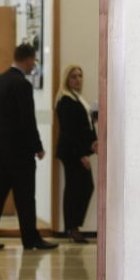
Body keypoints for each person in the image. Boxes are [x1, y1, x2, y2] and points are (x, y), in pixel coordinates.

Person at [0, 43, 58, 251]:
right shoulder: (22, 84)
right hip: (19, 150)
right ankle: (31, 239)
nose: (34, 65)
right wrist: (37, 146)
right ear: (29, 59)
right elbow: (26, 120)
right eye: (34, 61)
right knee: (25, 196)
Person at [55, 64, 98, 244]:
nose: (78, 79)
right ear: (67, 79)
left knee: (82, 187)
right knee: (77, 188)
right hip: (72, 152)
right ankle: (72, 227)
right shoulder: (66, 101)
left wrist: (93, 142)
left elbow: (84, 125)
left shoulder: (78, 99)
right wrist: (82, 154)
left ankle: (73, 226)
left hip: (78, 150)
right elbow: (70, 131)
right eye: (73, 76)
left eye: (80, 76)